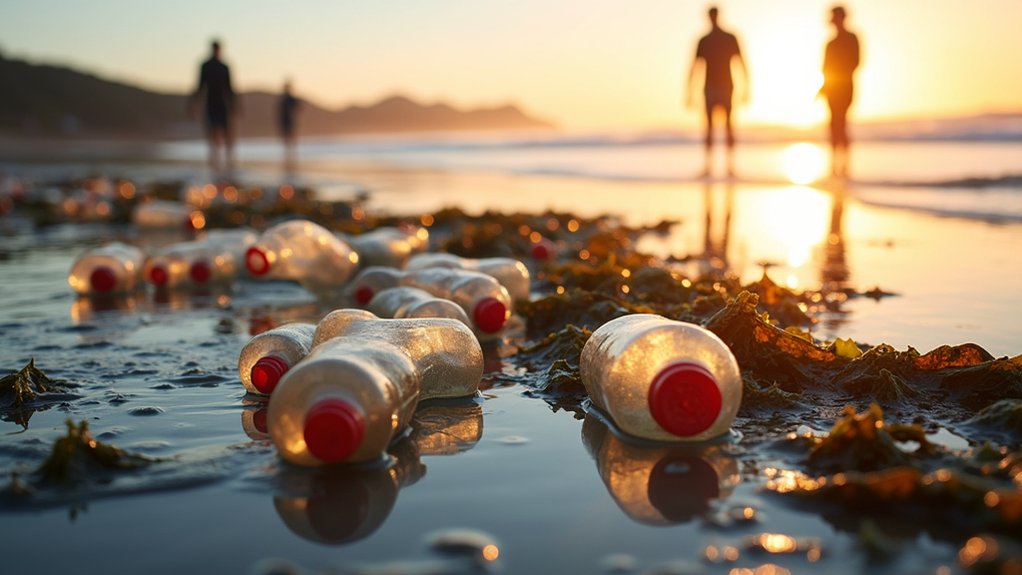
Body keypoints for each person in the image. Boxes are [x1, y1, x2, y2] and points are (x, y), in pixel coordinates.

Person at [687, 6, 748, 178]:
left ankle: (730, 167)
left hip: (726, 87)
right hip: (710, 88)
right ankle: (708, 167)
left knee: (729, 127)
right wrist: (689, 91)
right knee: (709, 128)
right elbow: (694, 66)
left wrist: (746, 87)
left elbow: (741, 62)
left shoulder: (729, 38)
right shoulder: (703, 40)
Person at [820, 6, 860, 177]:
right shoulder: (830, 43)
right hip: (831, 89)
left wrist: (839, 79)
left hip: (845, 88)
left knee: (841, 124)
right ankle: (834, 166)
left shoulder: (852, 38)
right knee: (833, 126)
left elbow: (856, 62)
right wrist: (823, 88)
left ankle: (844, 166)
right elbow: (825, 69)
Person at [188, 40, 238, 174]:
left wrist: (234, 104)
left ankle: (229, 163)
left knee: (227, 134)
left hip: (222, 104)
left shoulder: (224, 67)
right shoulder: (206, 66)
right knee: (213, 133)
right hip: (211, 104)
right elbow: (200, 86)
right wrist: (193, 104)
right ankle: (215, 163)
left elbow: (230, 87)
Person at [279, 79, 301, 170]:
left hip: (290, 120)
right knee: (287, 138)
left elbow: (299, 107)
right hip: (286, 120)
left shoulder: (289, 99)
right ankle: (289, 154)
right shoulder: (283, 99)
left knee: (290, 137)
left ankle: (292, 154)